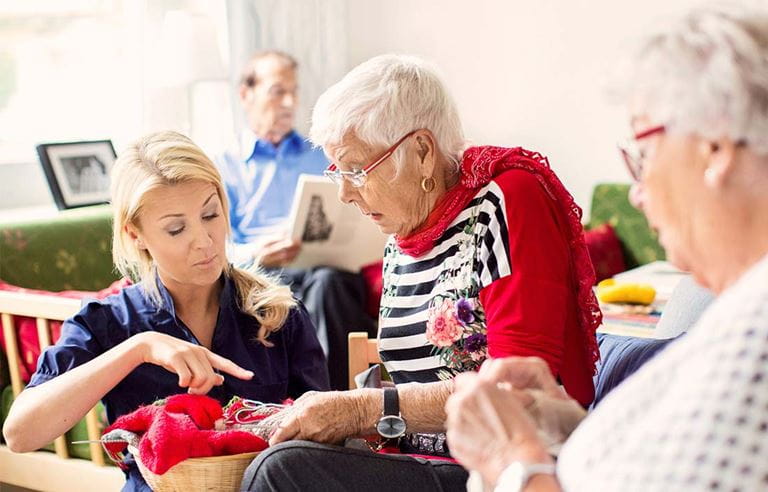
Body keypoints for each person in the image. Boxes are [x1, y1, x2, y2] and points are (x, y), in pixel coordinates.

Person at [240, 54, 601, 491]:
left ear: (423, 152)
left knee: (281, 471)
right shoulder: (404, 233)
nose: (344, 192)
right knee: (268, 448)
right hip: (422, 457)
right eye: (338, 170)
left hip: (502, 466)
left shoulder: (506, 200)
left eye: (356, 169)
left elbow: (515, 391)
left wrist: (359, 409)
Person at [445, 5, 768, 491]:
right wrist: (565, 430)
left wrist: (511, 460)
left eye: (643, 152)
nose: (637, 190)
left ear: (715, 147)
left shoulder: (755, 329)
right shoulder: (734, 305)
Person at [2, 131, 329, 491]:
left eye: (210, 214)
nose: (204, 242)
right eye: (176, 229)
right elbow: (20, 434)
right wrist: (138, 349)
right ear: (135, 235)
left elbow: (322, 445)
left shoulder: (279, 314)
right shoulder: (106, 323)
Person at [216, 50, 376, 390]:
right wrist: (256, 253)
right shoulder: (224, 165)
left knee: (331, 285)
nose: (289, 102)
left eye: (294, 91)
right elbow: (217, 245)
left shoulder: (318, 153)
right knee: (261, 294)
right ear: (246, 94)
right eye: (278, 91)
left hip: (321, 270)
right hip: (260, 272)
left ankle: (337, 400)